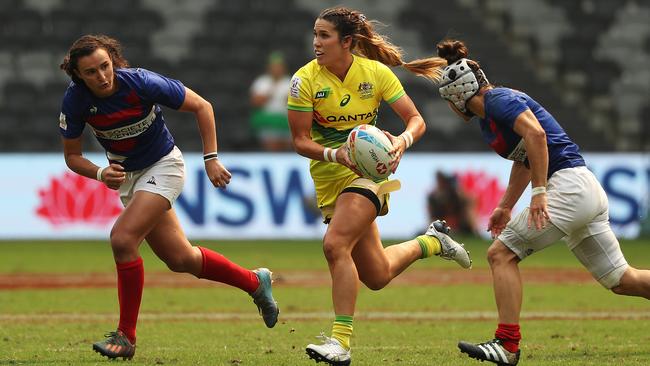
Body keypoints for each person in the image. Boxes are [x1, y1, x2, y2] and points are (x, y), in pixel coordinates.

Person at [58, 35, 279, 360]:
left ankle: (126, 337)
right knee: (181, 259)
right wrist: (100, 173)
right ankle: (255, 282)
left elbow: (202, 107)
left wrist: (211, 158)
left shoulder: (141, 83)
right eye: (91, 72)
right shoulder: (75, 101)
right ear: (79, 76)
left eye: (105, 66)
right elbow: (72, 156)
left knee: (122, 239)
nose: (102, 76)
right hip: (130, 178)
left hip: (164, 166)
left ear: (114, 61)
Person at [434, 39, 650, 366]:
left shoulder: (497, 101)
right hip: (582, 187)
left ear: (457, 95)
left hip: (569, 186)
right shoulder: (492, 113)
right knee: (622, 280)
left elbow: (537, 137)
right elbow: (525, 158)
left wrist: (539, 193)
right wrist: (507, 205)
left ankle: (507, 346)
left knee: (501, 254)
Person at [287, 8, 472, 365]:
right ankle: (432, 242)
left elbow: (416, 120)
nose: (316, 42)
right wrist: (335, 154)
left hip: (369, 175)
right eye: (315, 34)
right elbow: (299, 140)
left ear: (347, 42)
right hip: (330, 178)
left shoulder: (375, 73)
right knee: (376, 274)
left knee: (335, 245)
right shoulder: (304, 80)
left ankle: (340, 343)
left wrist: (401, 142)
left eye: (324, 36)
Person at [249, 51, 293, 151]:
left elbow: (295, 101)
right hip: (268, 120)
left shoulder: (290, 81)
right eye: (274, 66)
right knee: (271, 140)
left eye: (279, 66)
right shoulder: (262, 82)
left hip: (285, 120)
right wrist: (270, 92)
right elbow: (255, 103)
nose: (276, 69)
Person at [427, 170, 477, 235]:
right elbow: (432, 217)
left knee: (469, 211)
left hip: (459, 226)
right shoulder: (433, 197)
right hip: (442, 226)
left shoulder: (455, 195)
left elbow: (471, 202)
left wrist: (460, 192)